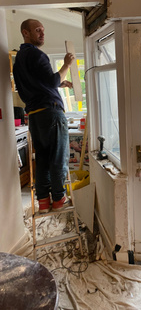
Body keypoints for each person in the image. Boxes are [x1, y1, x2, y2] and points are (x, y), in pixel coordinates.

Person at [13, 19, 74, 213]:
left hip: (34, 115)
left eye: (43, 30)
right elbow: (53, 79)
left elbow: (40, 84)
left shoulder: (20, 59)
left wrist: (58, 84)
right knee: (58, 157)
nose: (42, 33)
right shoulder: (37, 55)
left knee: (42, 158)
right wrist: (66, 65)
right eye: (37, 30)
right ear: (26, 33)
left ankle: (44, 201)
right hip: (51, 112)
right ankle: (58, 199)